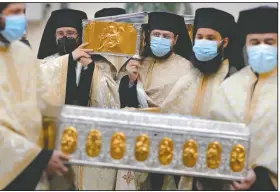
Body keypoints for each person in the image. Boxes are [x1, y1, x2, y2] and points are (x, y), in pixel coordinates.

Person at [118, 12, 193, 190]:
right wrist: (130, 79)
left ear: (175, 39)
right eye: (156, 34)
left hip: (172, 140)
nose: (160, 39)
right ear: (148, 35)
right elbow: (125, 103)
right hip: (140, 138)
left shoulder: (188, 67)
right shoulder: (137, 63)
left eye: (166, 36)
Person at [206, 6, 277, 190]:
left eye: (269, 42)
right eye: (255, 42)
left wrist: (260, 176)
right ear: (246, 45)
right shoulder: (230, 86)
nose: (262, 48)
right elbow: (214, 135)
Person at [0, 3, 69, 190]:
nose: (21, 18)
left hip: (29, 165)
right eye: (14, 12)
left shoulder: (23, 53)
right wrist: (39, 158)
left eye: (23, 12)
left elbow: (41, 103)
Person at [161, 8, 244, 118]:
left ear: (224, 42)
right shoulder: (187, 78)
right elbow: (166, 113)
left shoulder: (232, 80)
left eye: (210, 38)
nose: (203, 42)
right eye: (199, 37)